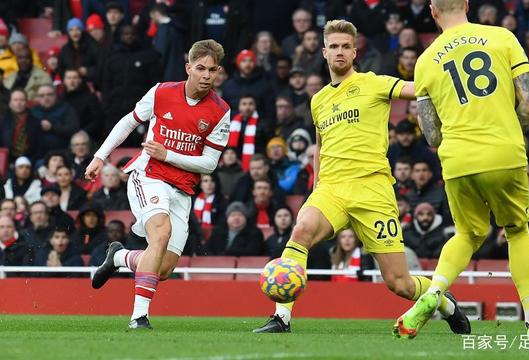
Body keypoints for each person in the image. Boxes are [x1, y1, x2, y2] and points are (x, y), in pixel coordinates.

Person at [253, 19, 469, 335]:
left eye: (345, 47)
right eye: (334, 47)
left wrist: (447, 77)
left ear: (355, 52)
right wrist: (318, 185)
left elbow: (417, 90)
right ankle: (281, 317)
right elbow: (320, 146)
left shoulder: (375, 83)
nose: (339, 52)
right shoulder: (318, 99)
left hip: (373, 190)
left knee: (399, 283)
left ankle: (446, 303)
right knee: (301, 229)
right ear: (324, 53)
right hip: (332, 189)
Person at [402, 0, 529, 342]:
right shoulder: (502, 37)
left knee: (467, 234)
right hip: (503, 152)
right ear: (466, 4)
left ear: (432, 11)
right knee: (517, 230)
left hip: (458, 160)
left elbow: (431, 134)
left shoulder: (424, 61)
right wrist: (507, 129)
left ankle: (434, 292)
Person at [86, 40, 230, 329]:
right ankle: (139, 317)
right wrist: (100, 156)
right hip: (148, 175)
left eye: (212, 70)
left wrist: (169, 154)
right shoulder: (162, 92)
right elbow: (129, 122)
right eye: (200, 68)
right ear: (188, 67)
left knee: (163, 268)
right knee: (160, 234)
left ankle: (121, 256)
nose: (206, 75)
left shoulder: (220, 111)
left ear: (218, 72)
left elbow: (209, 164)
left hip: (182, 188)